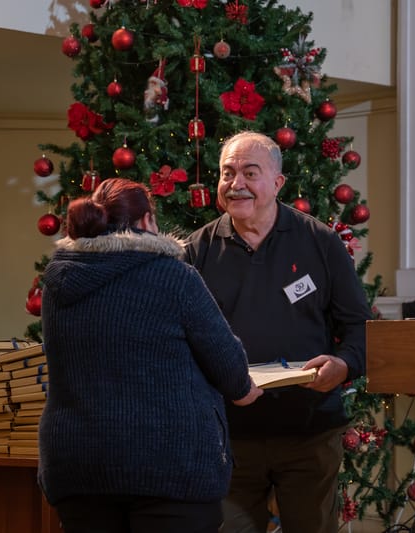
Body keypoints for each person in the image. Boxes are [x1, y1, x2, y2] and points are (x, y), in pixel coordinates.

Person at [37, 178, 262, 533]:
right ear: (146, 222)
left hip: (78, 467)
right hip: (169, 468)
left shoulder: (57, 284)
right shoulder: (175, 278)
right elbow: (231, 370)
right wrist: (242, 388)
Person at [183, 131, 372, 533]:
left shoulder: (320, 242)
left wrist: (343, 364)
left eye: (250, 173)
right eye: (227, 173)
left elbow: (360, 327)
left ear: (277, 182)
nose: (237, 184)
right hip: (228, 439)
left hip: (309, 432)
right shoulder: (196, 251)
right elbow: (180, 338)